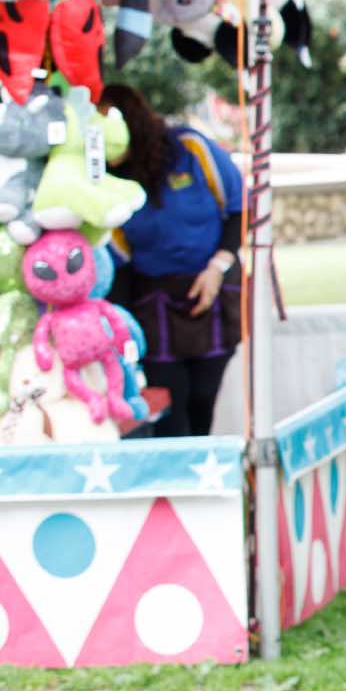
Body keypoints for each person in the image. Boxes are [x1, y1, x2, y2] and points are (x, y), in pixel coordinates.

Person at [100, 83, 243, 436]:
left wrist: (217, 268)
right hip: (154, 299)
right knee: (171, 409)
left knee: (203, 398)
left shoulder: (190, 148)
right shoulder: (105, 183)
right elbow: (118, 260)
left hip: (211, 285)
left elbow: (239, 207)